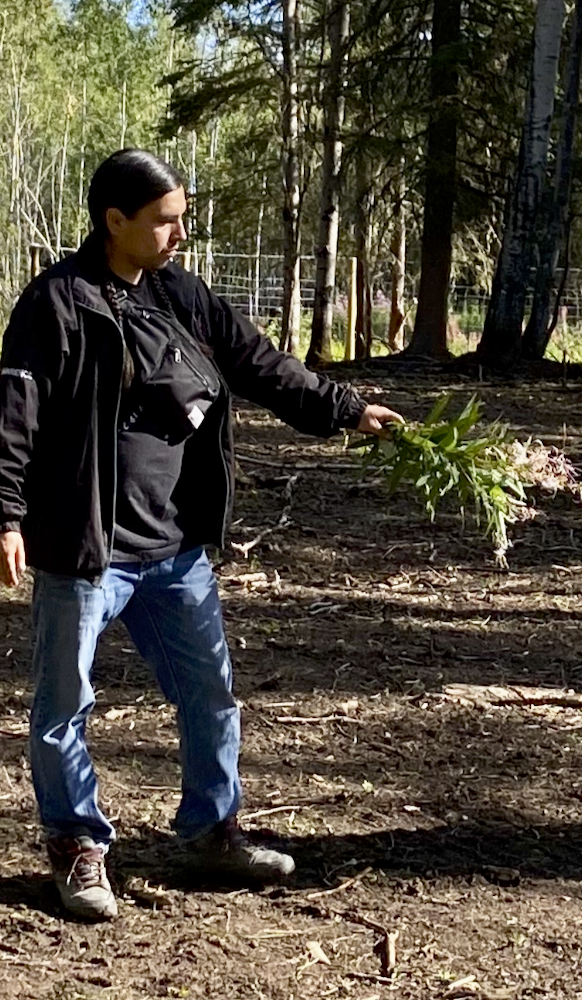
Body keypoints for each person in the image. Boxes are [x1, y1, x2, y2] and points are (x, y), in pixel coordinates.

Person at [0, 149, 402, 921]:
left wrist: (346, 409)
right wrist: (6, 514)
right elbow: (15, 415)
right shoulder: (57, 302)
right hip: (87, 549)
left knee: (210, 696)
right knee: (63, 708)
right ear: (114, 221)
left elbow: (260, 364)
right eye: (164, 221)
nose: (179, 233)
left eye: (182, 217)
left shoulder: (180, 296)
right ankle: (76, 846)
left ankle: (212, 834)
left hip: (175, 551)